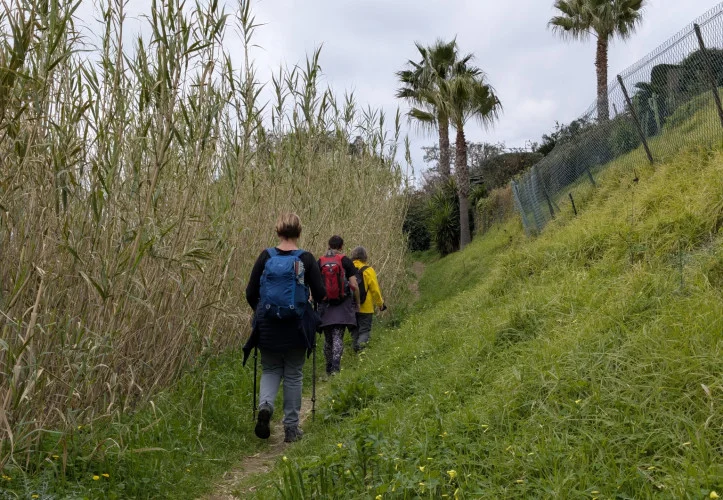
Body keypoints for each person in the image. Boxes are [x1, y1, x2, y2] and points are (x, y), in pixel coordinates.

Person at [242, 213, 325, 443]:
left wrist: (261, 312)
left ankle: (265, 407)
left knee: (270, 370)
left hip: (268, 327)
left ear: (278, 231)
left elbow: (250, 292)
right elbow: (320, 294)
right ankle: (291, 428)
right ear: (299, 232)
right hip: (296, 328)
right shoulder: (306, 258)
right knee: (293, 375)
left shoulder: (266, 256)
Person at [317, 235, 359, 376]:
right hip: (342, 304)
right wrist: (357, 303)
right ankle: (336, 367)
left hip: (325, 305)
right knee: (338, 337)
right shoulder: (345, 260)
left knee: (328, 338)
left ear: (328, 245)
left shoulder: (320, 261)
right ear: (341, 246)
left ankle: (328, 368)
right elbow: (354, 285)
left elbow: (315, 285)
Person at [349, 246, 386, 353]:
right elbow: (375, 290)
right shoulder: (368, 270)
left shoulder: (348, 268)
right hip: (366, 307)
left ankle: (355, 351)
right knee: (364, 331)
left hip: (350, 307)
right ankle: (361, 351)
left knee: (354, 331)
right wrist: (380, 304)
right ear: (365, 257)